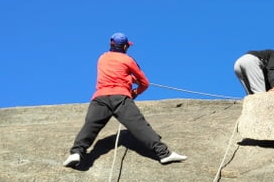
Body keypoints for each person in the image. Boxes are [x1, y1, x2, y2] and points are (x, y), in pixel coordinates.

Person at [62, 33, 187, 167]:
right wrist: (135, 92)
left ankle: (76, 152)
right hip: (120, 97)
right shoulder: (128, 60)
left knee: (90, 126)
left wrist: (128, 79)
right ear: (126, 46)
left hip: (100, 98)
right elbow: (144, 82)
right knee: (139, 126)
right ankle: (164, 154)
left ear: (111, 44)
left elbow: (115, 72)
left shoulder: (102, 58)